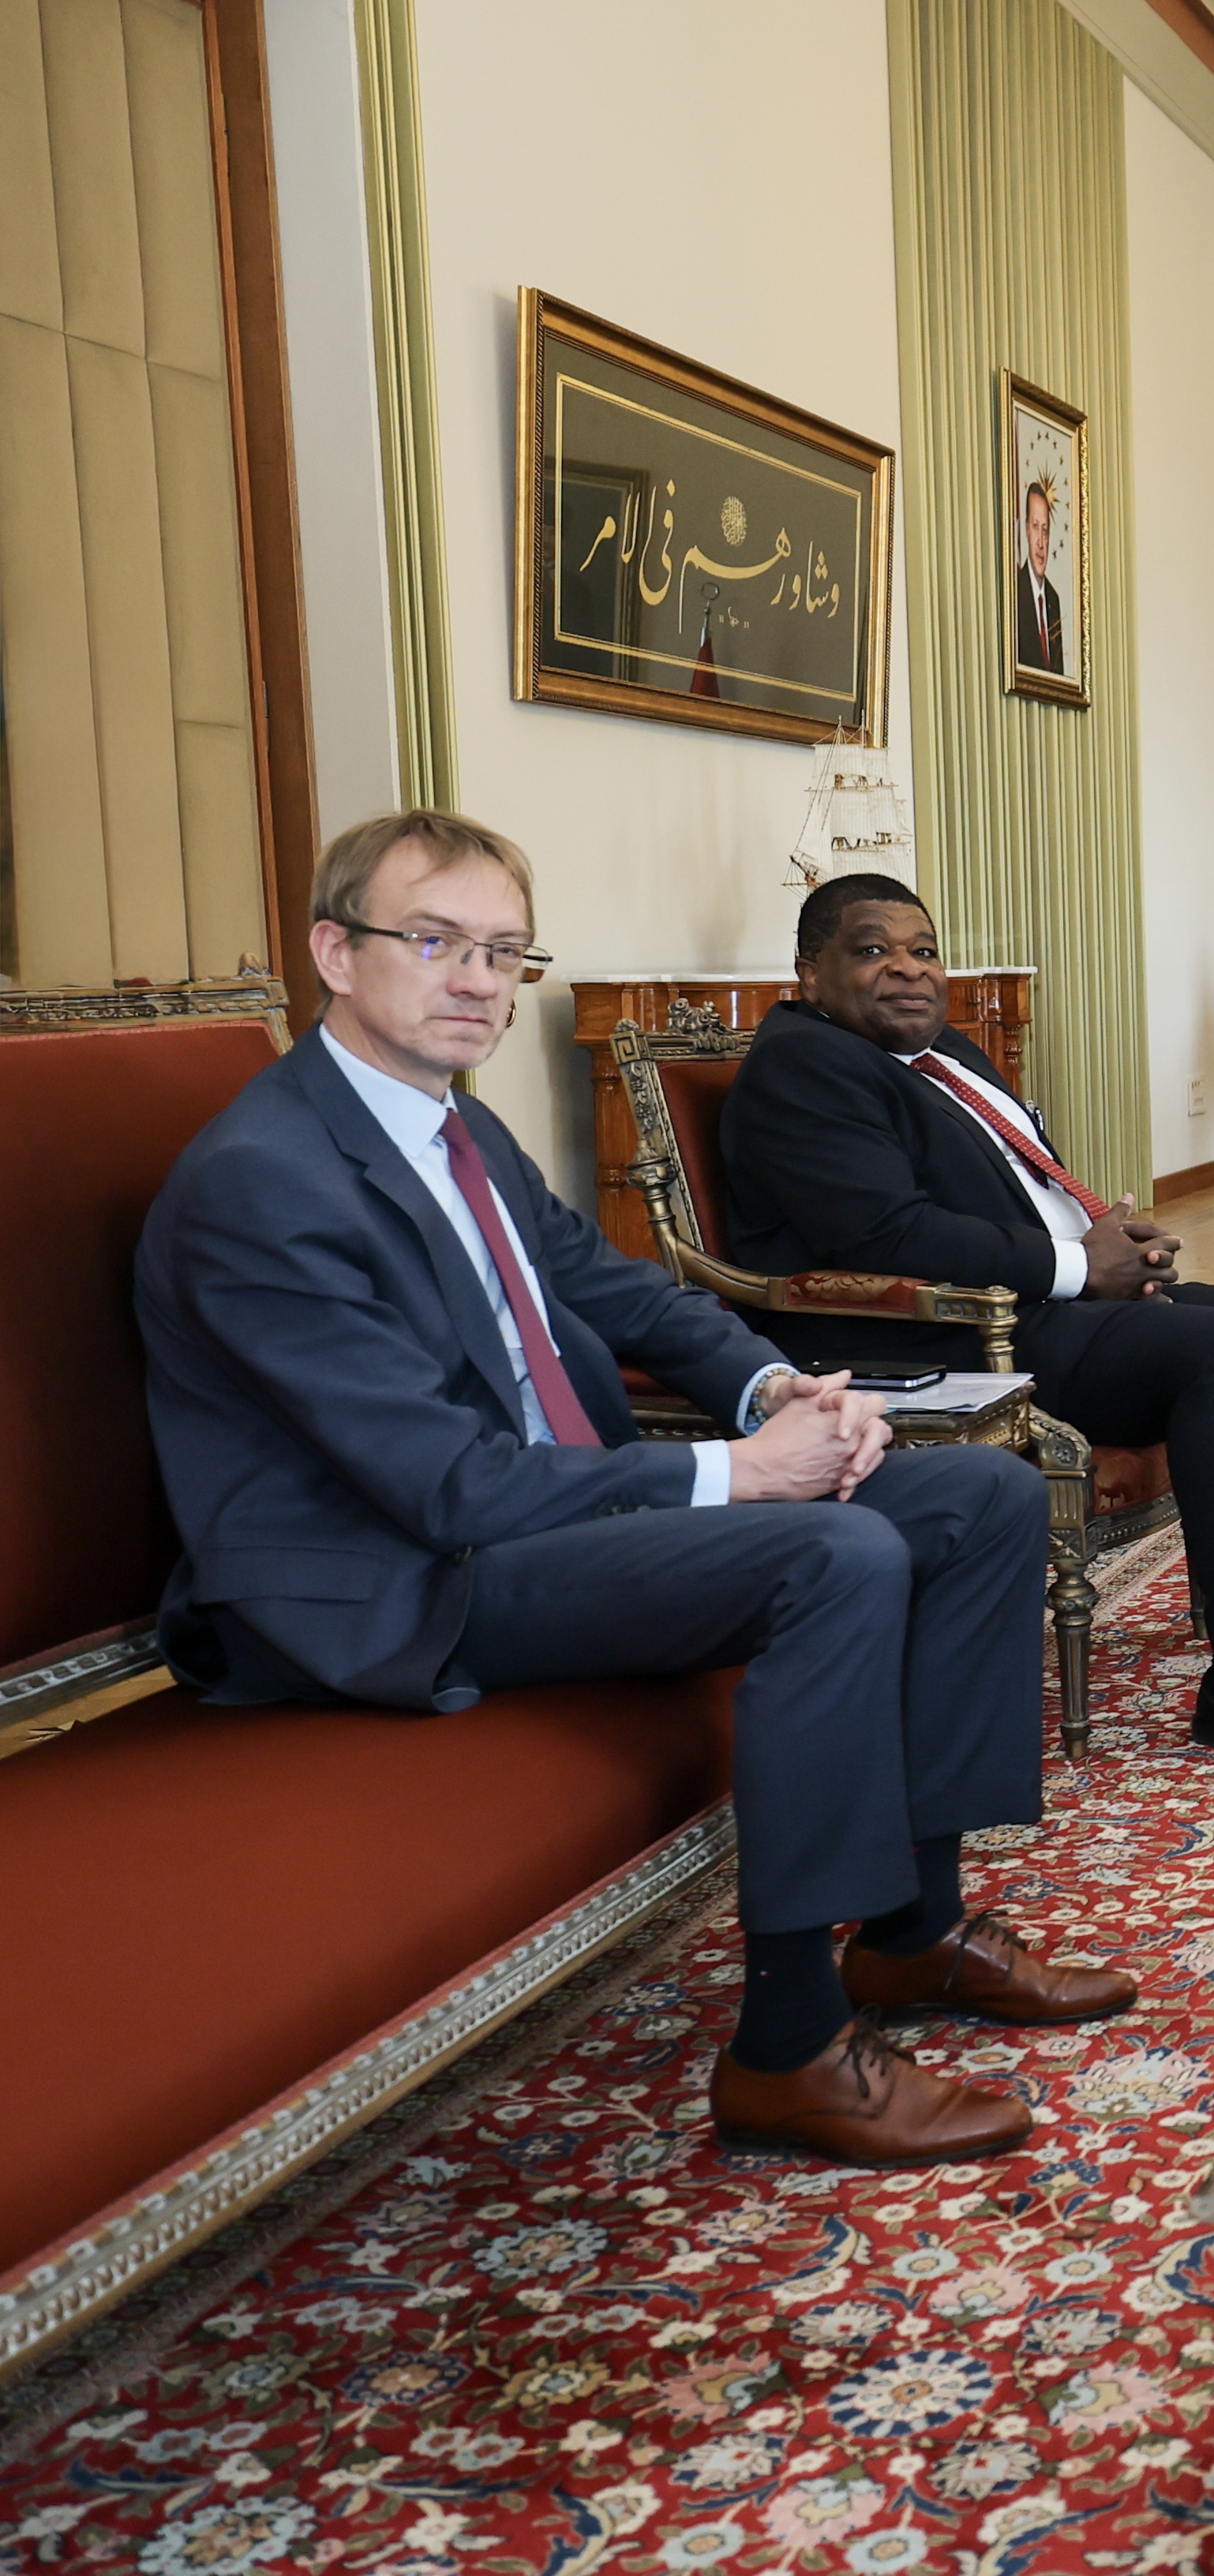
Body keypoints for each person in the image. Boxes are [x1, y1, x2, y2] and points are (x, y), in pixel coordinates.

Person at [136, 811, 1133, 2170]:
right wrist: (738, 1474)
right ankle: (790, 2047)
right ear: (335, 952)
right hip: (401, 1580)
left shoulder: (455, 1127)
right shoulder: (267, 1182)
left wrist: (771, 1392)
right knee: (832, 1554)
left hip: (534, 1516)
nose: (476, 980)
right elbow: (444, 1487)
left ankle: (915, 1933)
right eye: (433, 942)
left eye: (504, 952)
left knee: (980, 1500)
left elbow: (623, 1292)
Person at [715, 877, 1214, 1757]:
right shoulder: (805, 1065)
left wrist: (1105, 1241)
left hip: (1026, 1300)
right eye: (872, 950)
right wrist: (1082, 1267)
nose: (908, 969)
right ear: (810, 972)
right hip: (932, 1336)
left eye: (923, 950)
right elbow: (887, 1234)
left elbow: (1016, 1185)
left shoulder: (942, 1052)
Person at [1014, 477, 1067, 676]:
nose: (1041, 543)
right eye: (1036, 527)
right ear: (1027, 530)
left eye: (1045, 530)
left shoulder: (1053, 599)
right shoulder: (1015, 594)